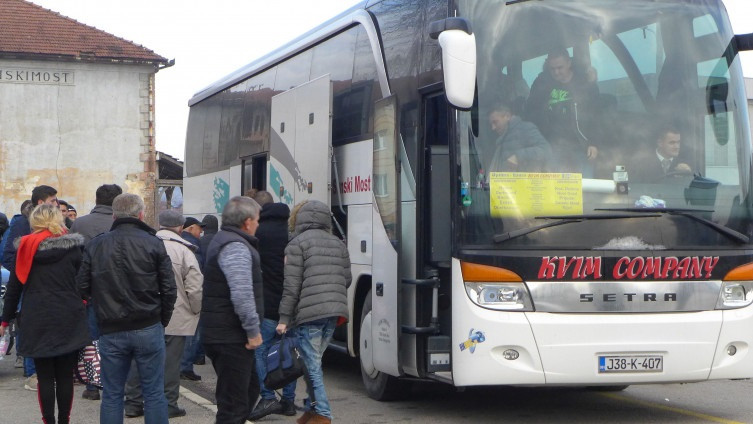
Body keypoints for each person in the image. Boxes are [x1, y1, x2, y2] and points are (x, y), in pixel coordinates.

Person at [77, 193, 176, 424]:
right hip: (148, 324)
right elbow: (169, 289)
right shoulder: (153, 242)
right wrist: (163, 319)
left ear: (114, 215)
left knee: (112, 394)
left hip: (111, 327)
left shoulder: (97, 244)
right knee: (153, 393)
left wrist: (101, 304)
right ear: (140, 214)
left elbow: (82, 287)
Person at [0, 204, 90, 424]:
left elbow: (14, 288)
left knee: (45, 376)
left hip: (37, 316)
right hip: (69, 314)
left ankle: (48, 420)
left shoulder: (25, 248)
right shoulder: (73, 247)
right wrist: (83, 301)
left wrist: (4, 320)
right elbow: (84, 279)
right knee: (65, 375)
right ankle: (64, 421)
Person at [276, 200, 352, 424]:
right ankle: (312, 409)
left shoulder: (296, 244)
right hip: (334, 313)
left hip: (309, 313)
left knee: (311, 364)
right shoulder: (339, 244)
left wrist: (284, 319)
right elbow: (346, 279)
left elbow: (292, 286)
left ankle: (324, 415)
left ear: (299, 220)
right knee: (313, 361)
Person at [125, 210, 203, 419]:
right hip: (176, 315)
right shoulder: (185, 251)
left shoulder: (143, 244)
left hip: (143, 312)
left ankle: (133, 402)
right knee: (170, 361)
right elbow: (195, 287)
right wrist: (195, 309)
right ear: (180, 227)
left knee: (138, 358)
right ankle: (169, 403)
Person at [201, 196, 264, 424]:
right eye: (257, 220)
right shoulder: (235, 246)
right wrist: (252, 331)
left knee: (247, 391)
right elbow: (241, 293)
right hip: (230, 336)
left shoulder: (225, 240)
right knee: (233, 406)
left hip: (224, 333)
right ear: (247, 222)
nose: (258, 225)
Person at [2, 185, 58, 391]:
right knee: (29, 325)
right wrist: (23, 273)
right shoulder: (22, 223)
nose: (56, 204)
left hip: (49, 287)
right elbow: (9, 254)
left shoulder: (58, 224)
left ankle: (42, 369)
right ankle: (31, 370)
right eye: (52, 200)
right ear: (41, 202)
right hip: (28, 284)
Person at [70, 183, 123, 401]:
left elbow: (72, 258)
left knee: (92, 337)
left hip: (90, 290)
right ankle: (117, 380)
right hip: (120, 290)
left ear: (96, 198)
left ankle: (92, 384)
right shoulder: (122, 224)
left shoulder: (79, 224)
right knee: (119, 336)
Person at [248, 191, 296, 420]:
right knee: (288, 352)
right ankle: (289, 401)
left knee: (261, 350)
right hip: (291, 305)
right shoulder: (292, 232)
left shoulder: (258, 233)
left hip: (266, 304)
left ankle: (268, 396)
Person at [524, 48, 601, 176]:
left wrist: (594, 143)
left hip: (581, 145)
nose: (556, 72)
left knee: (585, 187)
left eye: (560, 67)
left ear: (569, 63)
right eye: (552, 69)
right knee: (555, 188)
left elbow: (597, 116)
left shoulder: (585, 83)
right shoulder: (541, 84)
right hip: (552, 146)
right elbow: (531, 114)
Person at [180, 214, 218, 379]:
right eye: (198, 228)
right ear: (191, 228)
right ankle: (188, 364)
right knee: (196, 328)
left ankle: (194, 358)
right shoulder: (193, 245)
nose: (200, 232)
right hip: (200, 291)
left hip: (189, 292)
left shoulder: (196, 243)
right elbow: (195, 274)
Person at [488, 103, 551, 173]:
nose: (493, 128)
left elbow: (546, 150)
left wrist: (518, 157)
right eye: (491, 124)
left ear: (507, 116)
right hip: (506, 183)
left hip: (526, 182)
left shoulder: (525, 128)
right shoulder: (501, 139)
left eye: (495, 122)